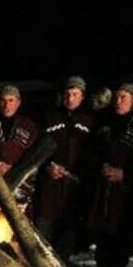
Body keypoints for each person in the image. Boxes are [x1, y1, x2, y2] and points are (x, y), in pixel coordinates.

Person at [84, 82, 133, 267]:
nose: (118, 102)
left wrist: (125, 174)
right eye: (117, 97)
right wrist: (99, 167)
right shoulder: (105, 124)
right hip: (104, 184)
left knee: (122, 228)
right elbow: (92, 151)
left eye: (124, 98)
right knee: (102, 226)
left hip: (127, 187)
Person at [34, 75, 93, 255]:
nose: (70, 99)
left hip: (75, 183)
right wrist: (47, 167)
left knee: (69, 228)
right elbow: (38, 147)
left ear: (82, 96)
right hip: (50, 180)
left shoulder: (90, 120)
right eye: (67, 94)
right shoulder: (51, 117)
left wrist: (79, 173)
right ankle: (43, 262)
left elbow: (94, 153)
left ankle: (64, 264)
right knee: (45, 224)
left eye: (75, 94)